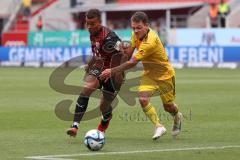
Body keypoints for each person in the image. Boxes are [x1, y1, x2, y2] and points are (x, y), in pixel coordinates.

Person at [100, 11, 183, 140]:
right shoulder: (135, 35)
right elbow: (128, 55)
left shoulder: (151, 41)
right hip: (149, 74)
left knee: (168, 107)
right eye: (133, 28)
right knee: (143, 99)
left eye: (139, 28)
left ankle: (177, 116)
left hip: (164, 75)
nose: (136, 31)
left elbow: (132, 62)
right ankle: (158, 126)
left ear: (147, 26)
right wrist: (121, 48)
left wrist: (112, 71)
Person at [66, 9, 125, 137]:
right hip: (100, 68)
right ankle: (75, 126)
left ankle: (106, 119)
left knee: (103, 107)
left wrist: (115, 74)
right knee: (86, 89)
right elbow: (97, 54)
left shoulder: (110, 38)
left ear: (100, 22)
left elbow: (122, 57)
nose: (89, 27)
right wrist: (91, 64)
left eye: (92, 23)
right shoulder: (92, 33)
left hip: (114, 74)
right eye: (87, 23)